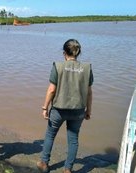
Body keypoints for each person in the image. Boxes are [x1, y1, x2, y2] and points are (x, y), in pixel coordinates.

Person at [36, 39, 93, 173]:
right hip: (78, 110)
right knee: (73, 140)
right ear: (78, 53)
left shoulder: (58, 66)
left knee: (50, 135)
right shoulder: (87, 68)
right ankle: (68, 169)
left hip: (58, 109)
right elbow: (89, 92)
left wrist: (45, 107)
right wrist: (89, 110)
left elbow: (51, 90)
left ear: (64, 53)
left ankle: (44, 164)